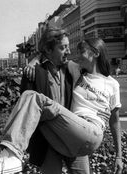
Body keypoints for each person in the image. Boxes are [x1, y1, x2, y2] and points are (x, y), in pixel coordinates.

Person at [0, 38, 123, 174]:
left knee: (33, 97)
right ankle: (9, 155)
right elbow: (51, 55)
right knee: (32, 103)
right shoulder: (77, 71)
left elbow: (115, 121)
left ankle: (11, 155)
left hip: (92, 131)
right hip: (70, 131)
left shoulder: (112, 84)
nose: (76, 55)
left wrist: (119, 156)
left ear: (95, 53)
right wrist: (33, 60)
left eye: (82, 52)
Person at [21, 27, 87, 174]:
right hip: (47, 140)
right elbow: (26, 108)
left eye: (68, 47)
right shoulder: (33, 72)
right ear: (48, 50)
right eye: (63, 48)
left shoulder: (72, 69)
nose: (68, 51)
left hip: (72, 136)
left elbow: (95, 63)